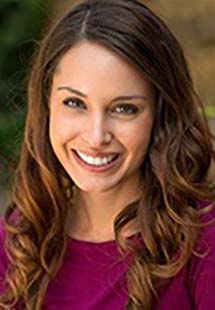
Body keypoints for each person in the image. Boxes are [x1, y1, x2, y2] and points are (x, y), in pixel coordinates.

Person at [0, 0, 214, 309]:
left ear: (161, 114)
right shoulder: (17, 244)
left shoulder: (203, 244)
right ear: (47, 106)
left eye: (125, 109)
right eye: (75, 103)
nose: (96, 136)